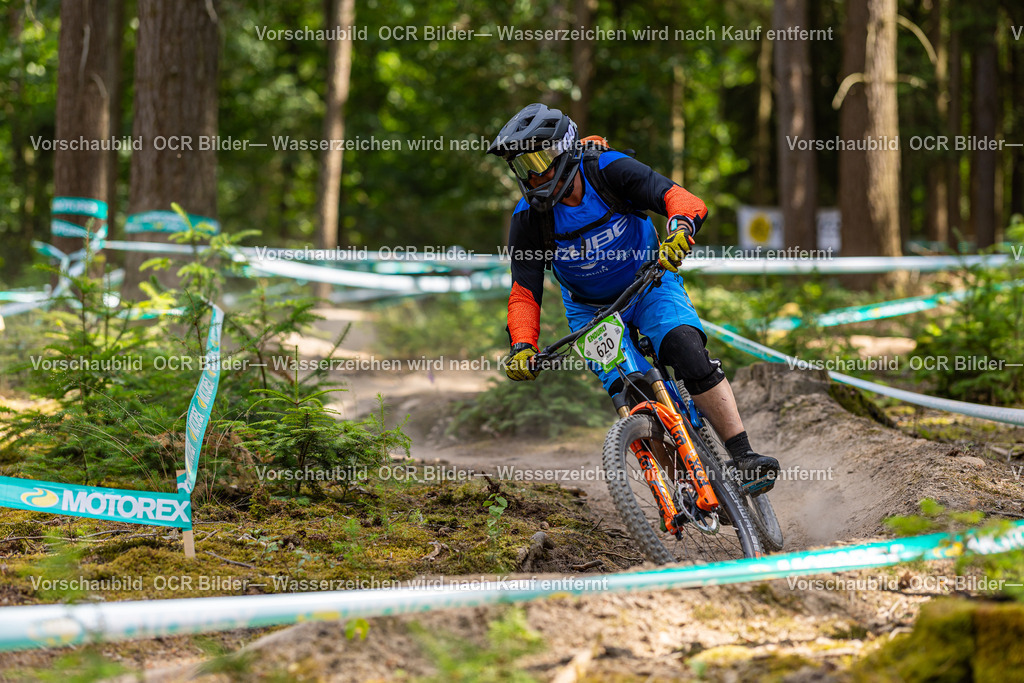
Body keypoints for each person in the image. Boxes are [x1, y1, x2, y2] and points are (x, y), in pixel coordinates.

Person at [487, 102, 780, 494]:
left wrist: (679, 230)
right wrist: (523, 345)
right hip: (590, 311)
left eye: (540, 160)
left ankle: (744, 457)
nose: (534, 174)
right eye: (523, 167)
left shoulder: (609, 170)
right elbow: (524, 291)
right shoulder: (528, 219)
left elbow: (682, 199)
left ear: (565, 149)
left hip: (650, 283)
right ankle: (693, 488)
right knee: (633, 392)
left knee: (686, 350)